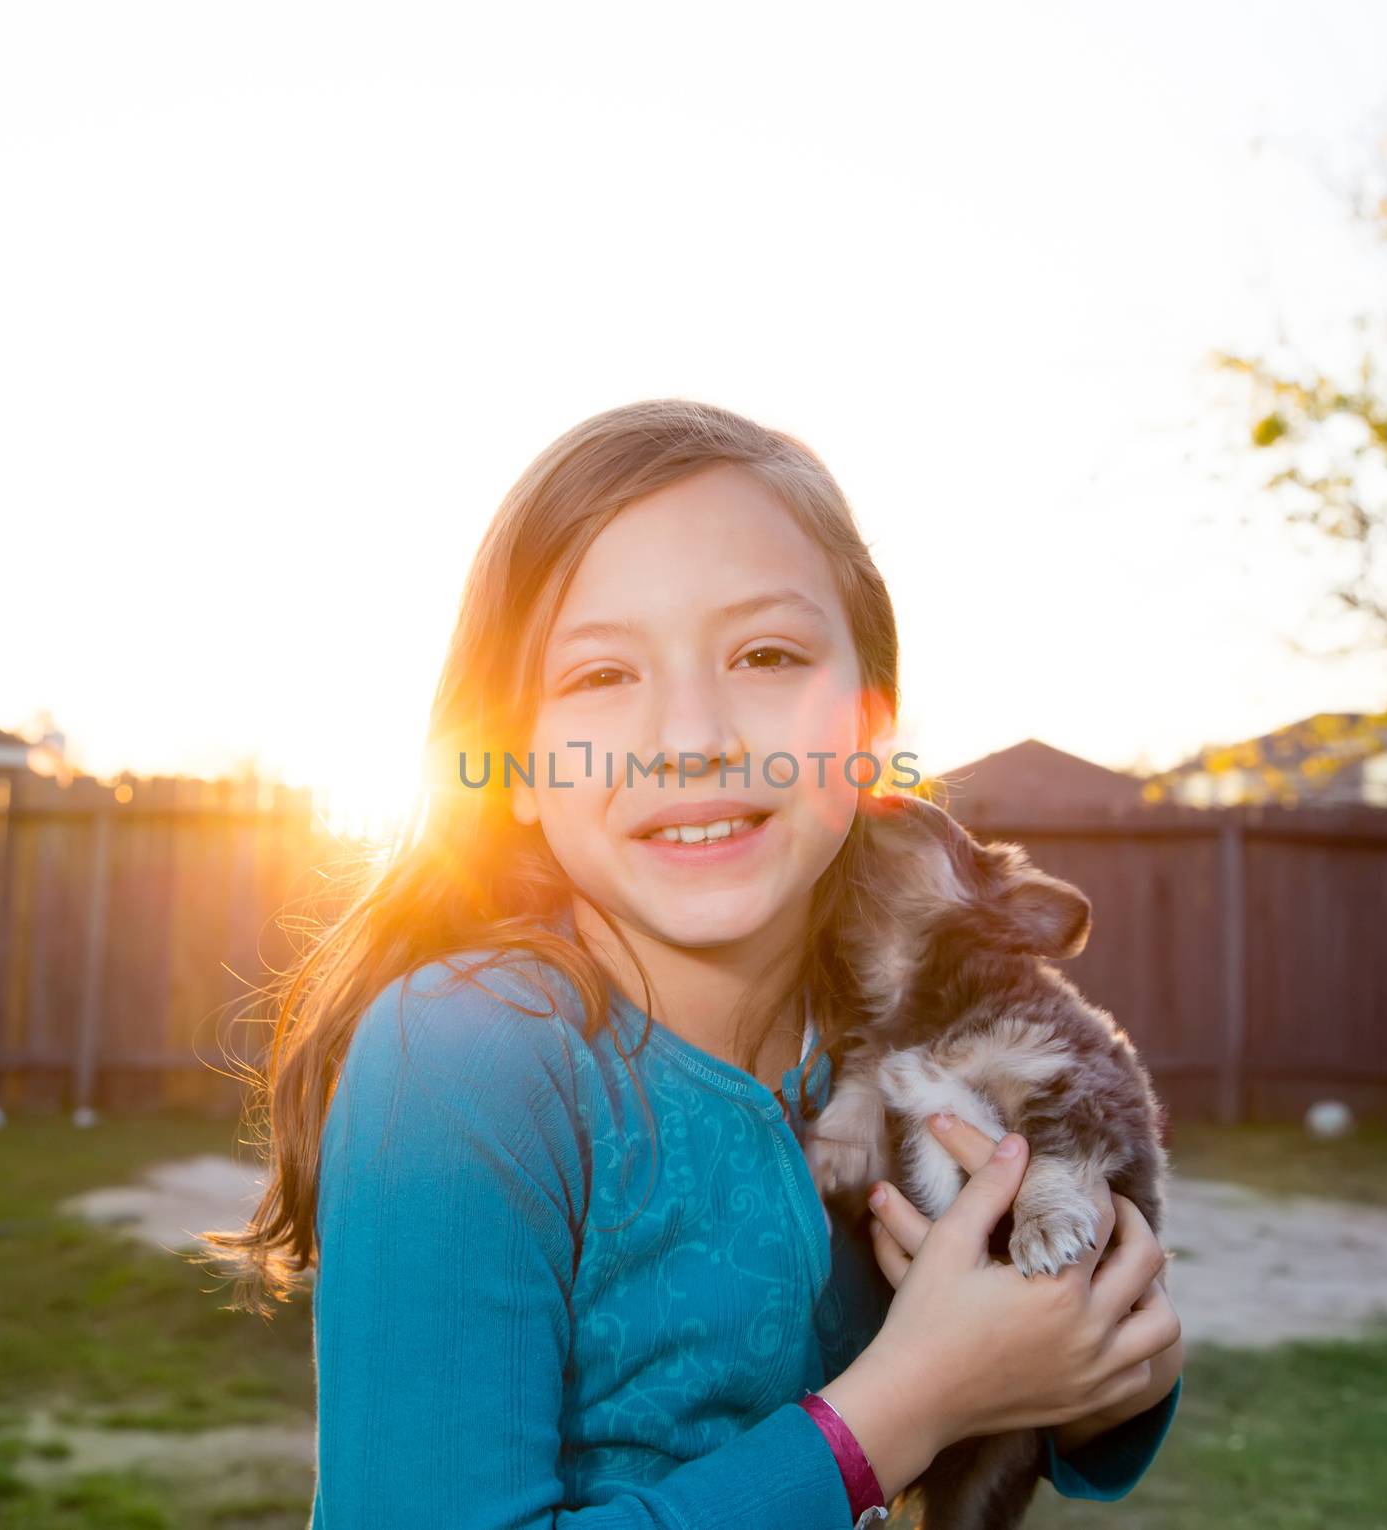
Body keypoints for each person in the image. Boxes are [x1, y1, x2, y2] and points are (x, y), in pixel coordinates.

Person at [209, 399, 1183, 1527]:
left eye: (765, 654)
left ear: (867, 730)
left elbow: (1060, 1401)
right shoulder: (465, 1059)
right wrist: (898, 1409)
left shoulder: (895, 1038)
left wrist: (1109, 1367)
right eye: (601, 675)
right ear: (511, 763)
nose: (691, 733)